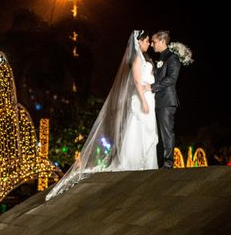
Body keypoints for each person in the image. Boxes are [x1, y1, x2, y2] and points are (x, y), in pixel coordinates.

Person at [46, 30, 158, 201]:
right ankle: (133, 161)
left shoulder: (144, 59)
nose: (148, 44)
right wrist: (143, 99)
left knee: (148, 132)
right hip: (142, 98)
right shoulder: (136, 59)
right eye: (146, 41)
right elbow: (136, 81)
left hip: (149, 98)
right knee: (138, 130)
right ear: (139, 42)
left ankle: (147, 162)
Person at [149, 30, 181, 168]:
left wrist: (152, 87)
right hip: (157, 102)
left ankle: (168, 163)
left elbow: (171, 79)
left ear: (162, 41)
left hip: (167, 101)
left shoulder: (172, 57)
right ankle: (160, 162)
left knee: (166, 132)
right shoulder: (161, 58)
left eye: (154, 42)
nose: (151, 45)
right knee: (159, 134)